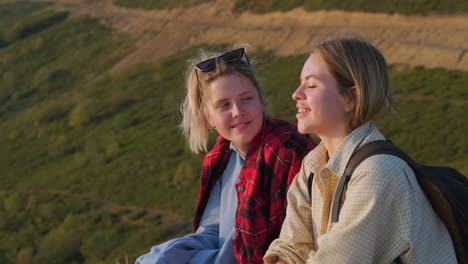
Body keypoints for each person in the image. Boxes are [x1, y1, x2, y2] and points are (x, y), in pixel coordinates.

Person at [263, 38, 456, 263]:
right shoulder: (312, 166)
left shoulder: (378, 174)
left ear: (351, 98)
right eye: (301, 83)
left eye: (312, 85)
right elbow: (291, 249)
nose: (296, 94)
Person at [136, 46, 315, 264]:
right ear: (208, 117)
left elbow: (300, 241)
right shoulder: (219, 158)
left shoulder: (288, 148)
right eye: (223, 105)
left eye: (246, 98)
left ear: (260, 100)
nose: (238, 111)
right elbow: (213, 231)